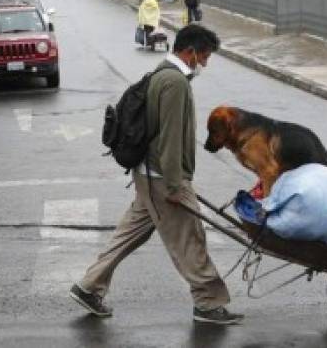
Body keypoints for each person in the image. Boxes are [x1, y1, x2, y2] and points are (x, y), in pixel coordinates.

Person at [70, 24, 243, 325]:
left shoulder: (162, 74)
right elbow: (170, 138)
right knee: (190, 238)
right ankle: (207, 303)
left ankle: (88, 287)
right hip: (163, 179)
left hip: (147, 175)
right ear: (189, 52)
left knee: (129, 234)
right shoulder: (175, 83)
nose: (205, 63)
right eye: (203, 56)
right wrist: (176, 185)